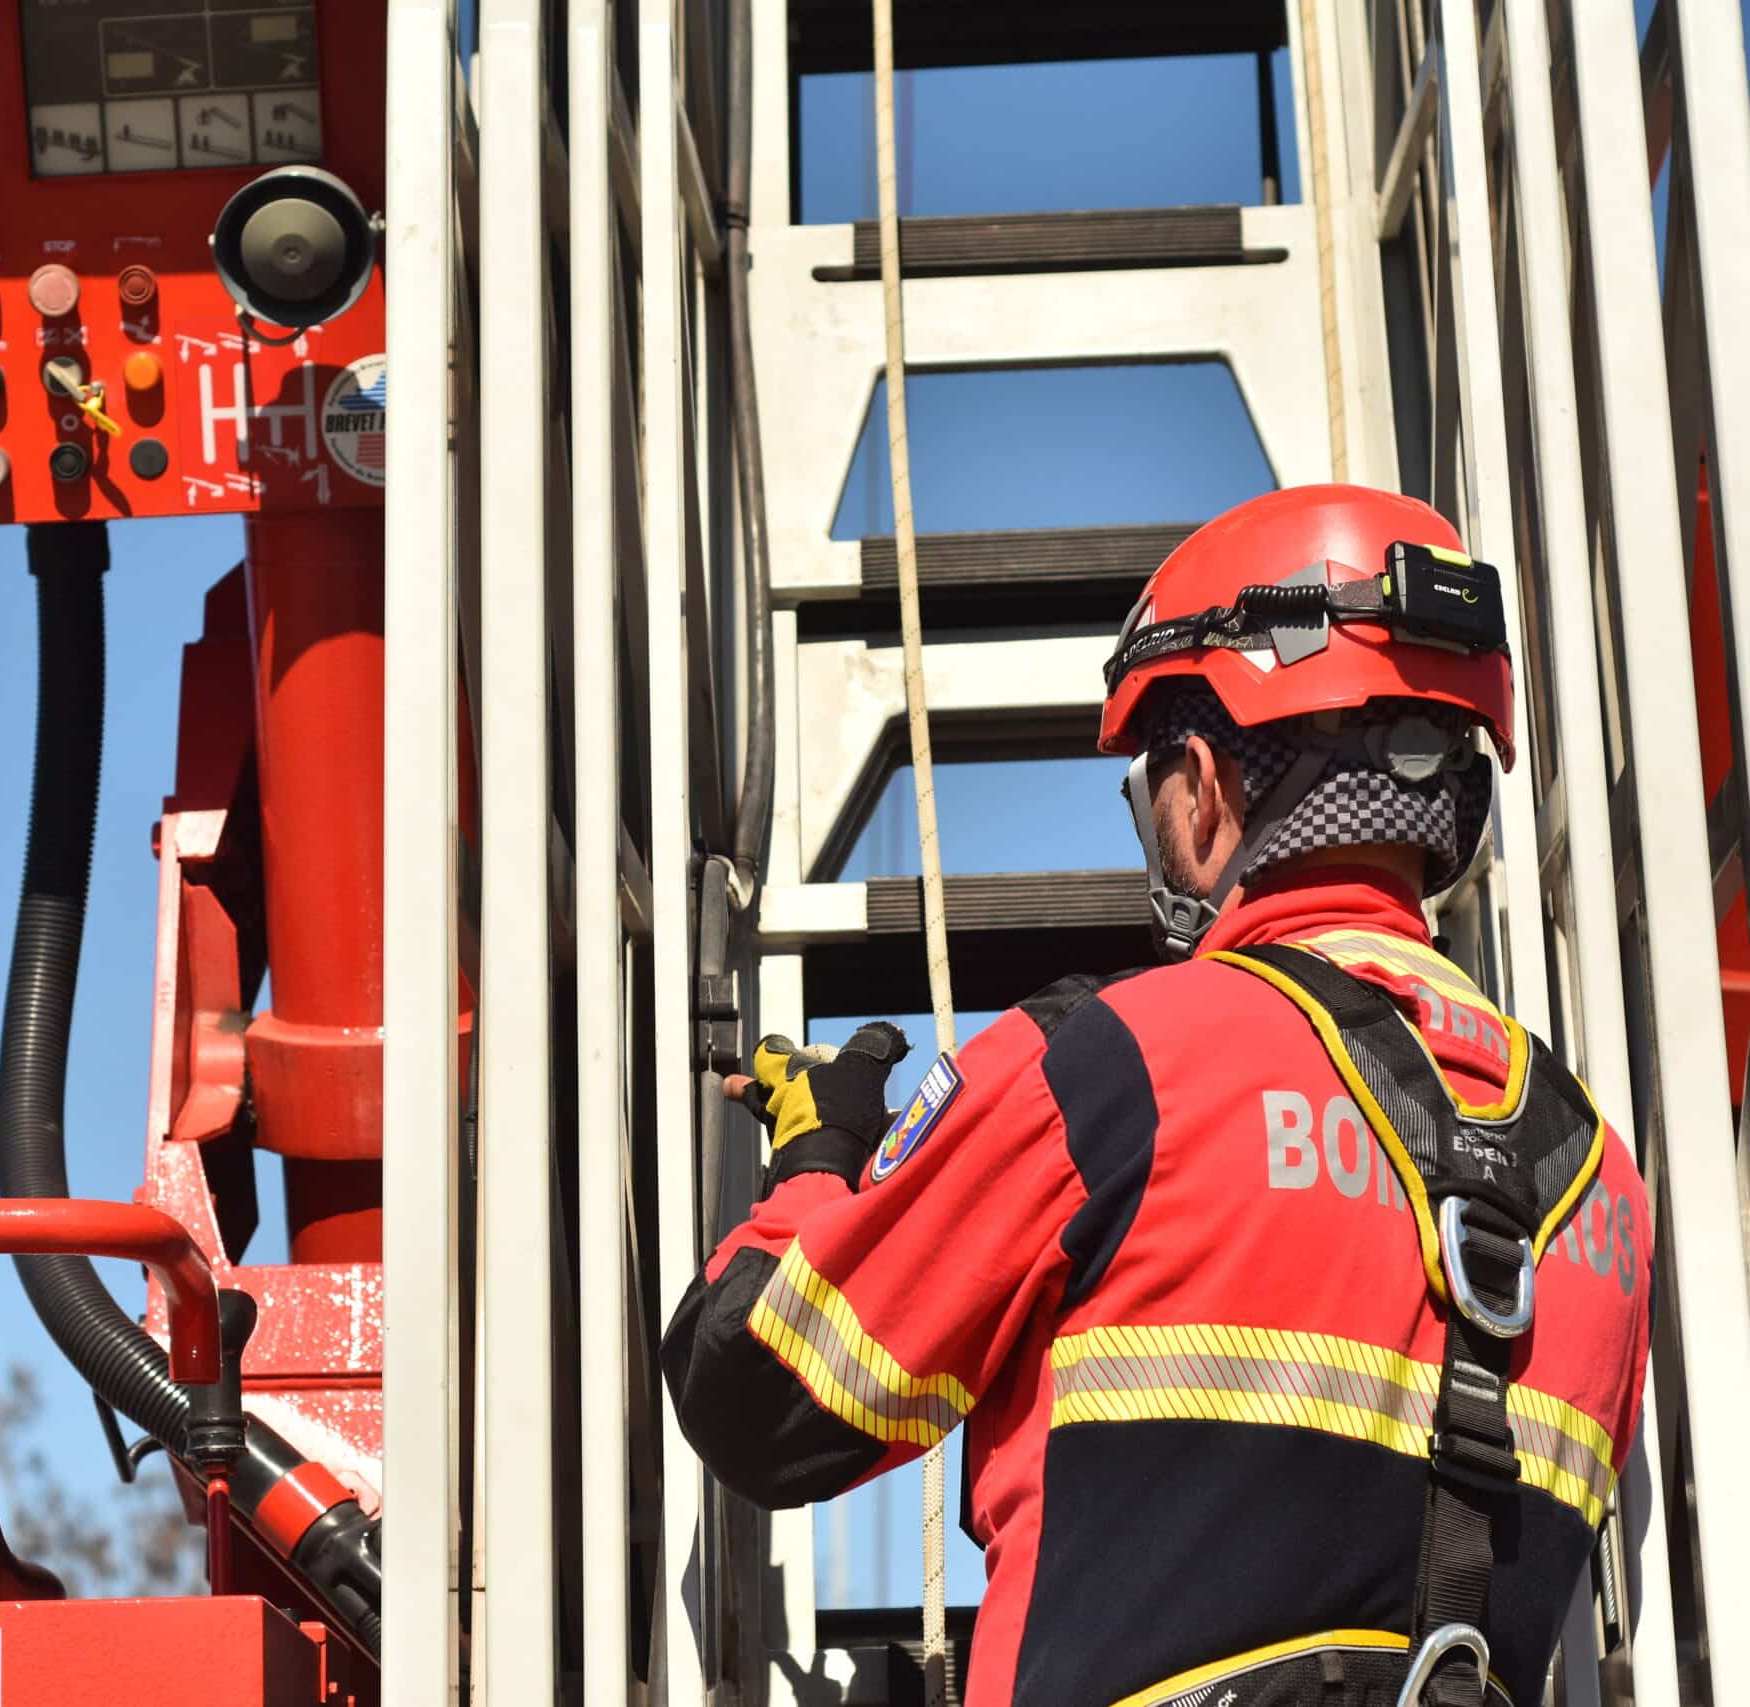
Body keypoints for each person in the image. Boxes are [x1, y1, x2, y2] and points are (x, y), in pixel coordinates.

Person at [661, 485, 1653, 1707]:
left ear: (1202, 785)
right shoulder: (1606, 1188)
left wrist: (815, 1161)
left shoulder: (1116, 1063)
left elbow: (758, 1398)